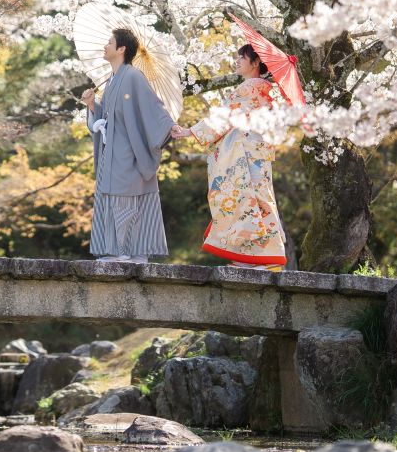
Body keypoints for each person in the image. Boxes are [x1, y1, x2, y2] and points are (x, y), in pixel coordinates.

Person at [168, 44, 287, 270]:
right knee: (257, 200)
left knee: (247, 201)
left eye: (241, 57)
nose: (236, 60)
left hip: (244, 155)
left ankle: (261, 258)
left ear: (255, 63)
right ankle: (259, 257)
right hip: (255, 154)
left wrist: (189, 131)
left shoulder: (249, 88)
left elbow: (226, 116)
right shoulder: (263, 91)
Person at [80, 27, 176, 262]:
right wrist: (93, 106)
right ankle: (116, 250)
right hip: (111, 152)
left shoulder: (132, 76)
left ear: (122, 49)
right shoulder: (111, 81)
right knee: (111, 198)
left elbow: (153, 107)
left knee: (126, 198)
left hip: (127, 152)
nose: (105, 46)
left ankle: (130, 250)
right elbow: (109, 116)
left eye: (109, 42)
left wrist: (167, 127)